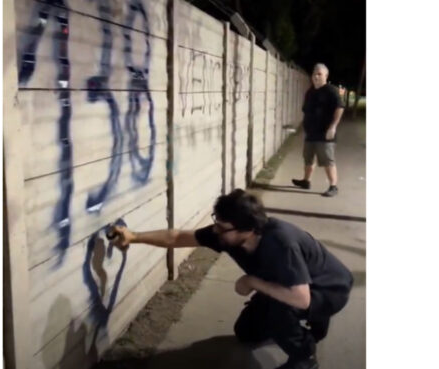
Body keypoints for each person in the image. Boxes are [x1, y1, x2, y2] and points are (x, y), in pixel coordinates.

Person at [110, 189, 353, 369]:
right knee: (246, 333)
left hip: (327, 289)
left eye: (222, 227)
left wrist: (252, 282)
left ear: (248, 229)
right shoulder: (227, 234)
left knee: (281, 308)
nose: (215, 231)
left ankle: (305, 356)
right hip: (292, 284)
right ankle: (298, 324)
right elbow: (177, 237)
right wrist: (134, 237)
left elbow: (301, 298)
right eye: (217, 224)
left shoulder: (280, 244)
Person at [292, 63, 345, 197]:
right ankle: (306, 181)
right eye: (314, 73)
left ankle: (333, 186)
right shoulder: (310, 92)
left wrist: (333, 127)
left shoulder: (331, 91)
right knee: (308, 159)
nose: (316, 76)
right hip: (311, 134)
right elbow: (306, 110)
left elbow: (340, 107)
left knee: (327, 160)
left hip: (325, 134)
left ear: (326, 76)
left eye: (319, 74)